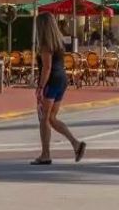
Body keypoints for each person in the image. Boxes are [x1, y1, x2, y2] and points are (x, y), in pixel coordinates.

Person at [31, 12, 85, 166]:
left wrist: (40, 87)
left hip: (51, 81)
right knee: (51, 118)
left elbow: (46, 67)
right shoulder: (58, 43)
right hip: (61, 79)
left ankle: (45, 154)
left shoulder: (45, 45)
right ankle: (76, 144)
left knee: (43, 118)